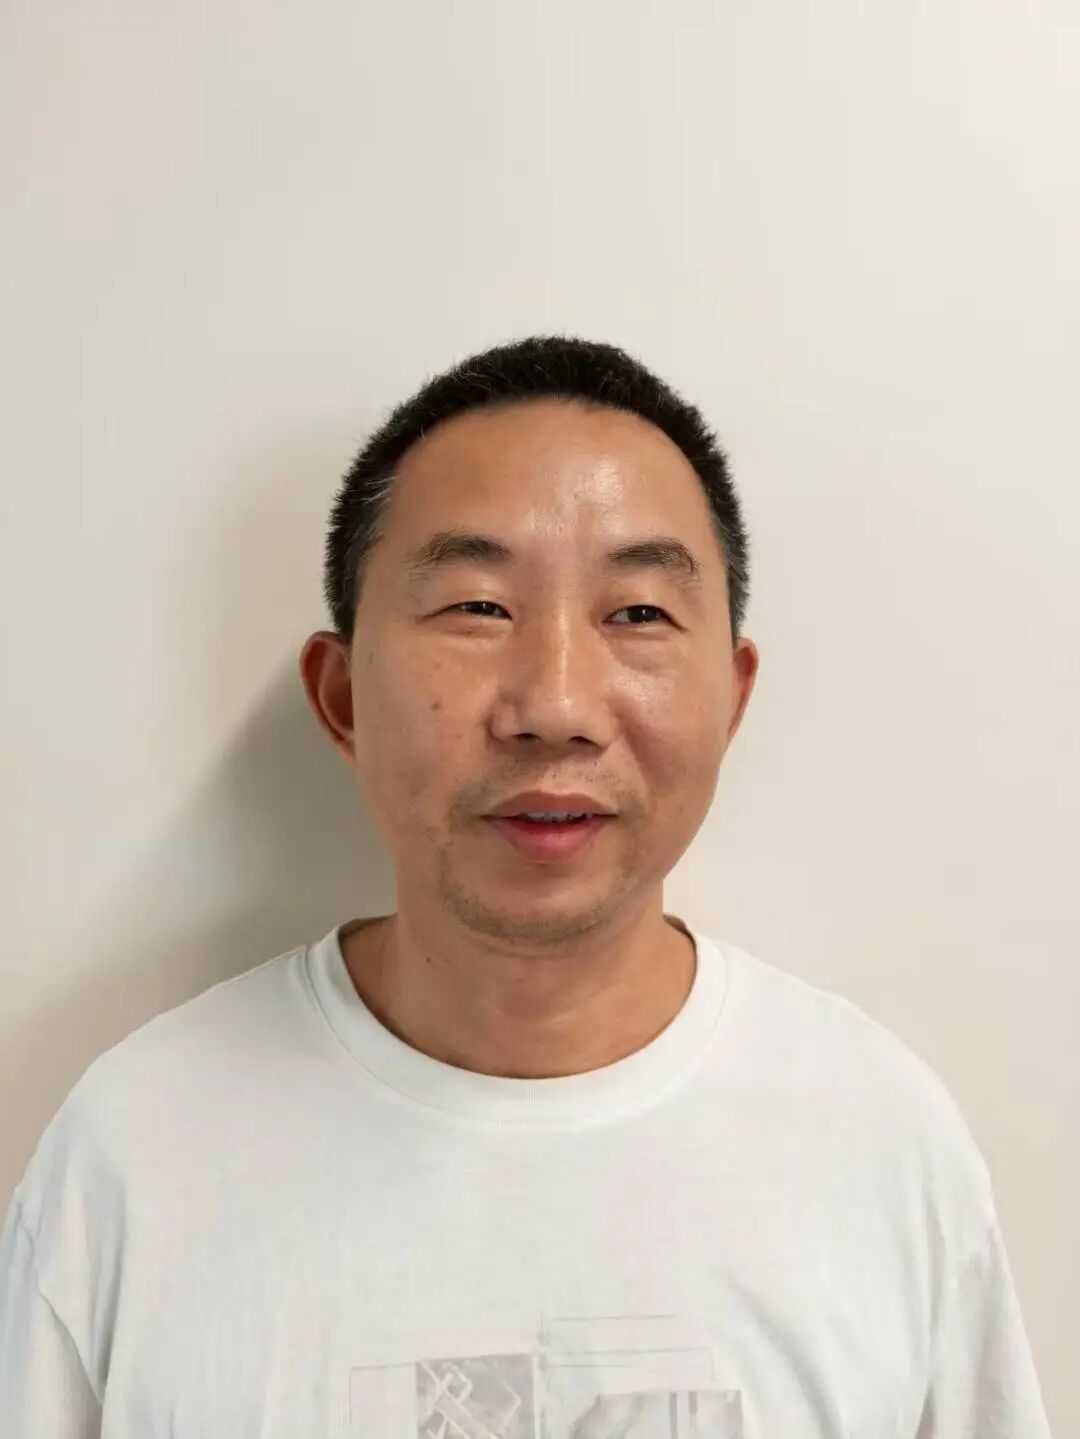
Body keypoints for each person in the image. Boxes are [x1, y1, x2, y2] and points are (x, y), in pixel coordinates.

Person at [0, 335, 1052, 1437]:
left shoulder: (880, 1146)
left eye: (637, 613)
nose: (555, 706)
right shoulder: (137, 1156)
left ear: (732, 700)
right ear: (343, 697)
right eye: (477, 607)